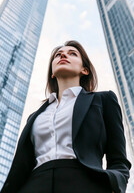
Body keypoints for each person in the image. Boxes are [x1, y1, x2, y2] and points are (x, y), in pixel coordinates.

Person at [1, 40, 131, 193]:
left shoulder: (103, 100)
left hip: (85, 182)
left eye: (72, 53)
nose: (63, 55)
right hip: (34, 184)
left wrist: (113, 185)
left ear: (85, 70)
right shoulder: (34, 117)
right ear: (52, 72)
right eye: (58, 55)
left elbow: (118, 158)